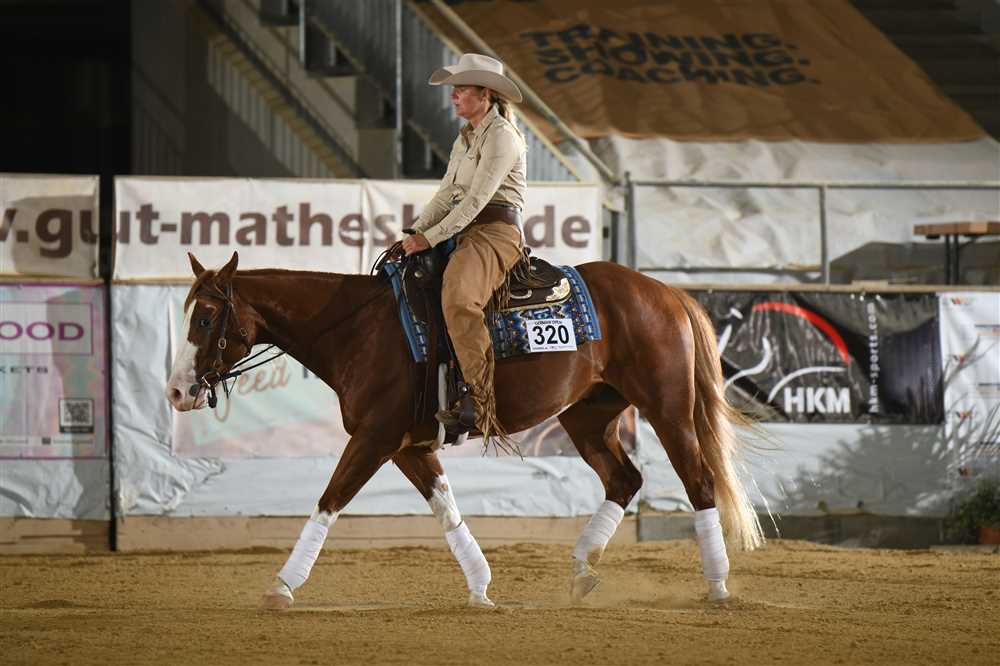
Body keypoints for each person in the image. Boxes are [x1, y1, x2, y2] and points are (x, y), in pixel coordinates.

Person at [401, 53, 527, 443]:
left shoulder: (502, 135)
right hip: (467, 230)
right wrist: (415, 231)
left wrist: (430, 238)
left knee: (458, 299)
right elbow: (446, 195)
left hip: (496, 232)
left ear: (485, 94)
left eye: (461, 90)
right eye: (454, 91)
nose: (453, 97)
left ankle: (480, 400)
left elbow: (475, 200)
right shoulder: (465, 137)